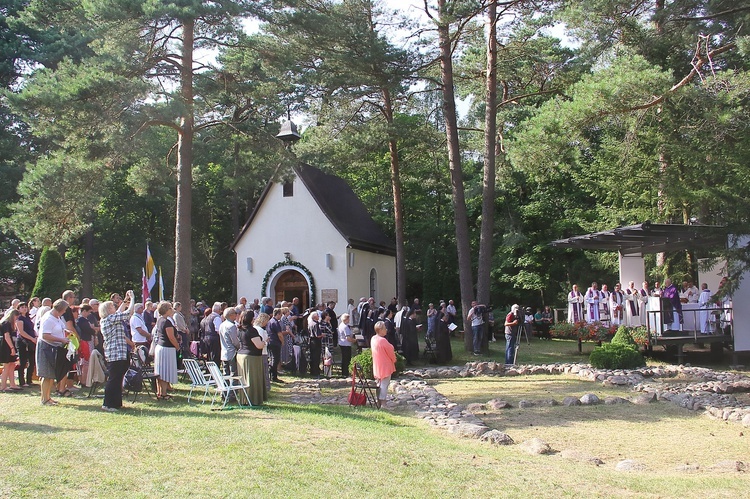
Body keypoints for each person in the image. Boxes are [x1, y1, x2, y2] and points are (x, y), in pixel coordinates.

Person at [99, 290, 136, 412]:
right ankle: (108, 404)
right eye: (111, 306)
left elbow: (120, 311)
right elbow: (128, 313)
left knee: (118, 378)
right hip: (115, 353)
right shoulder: (109, 319)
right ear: (107, 310)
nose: (114, 307)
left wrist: (125, 301)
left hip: (118, 352)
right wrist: (132, 299)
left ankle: (116, 403)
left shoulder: (111, 318)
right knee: (114, 379)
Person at [37, 299, 73, 405]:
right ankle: (44, 399)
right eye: (65, 309)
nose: (65, 311)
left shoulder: (57, 317)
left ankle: (48, 397)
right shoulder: (48, 318)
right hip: (46, 348)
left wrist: (65, 331)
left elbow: (57, 328)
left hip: (54, 347)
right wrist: (61, 339)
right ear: (60, 309)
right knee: (46, 374)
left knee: (51, 374)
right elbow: (45, 335)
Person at [236, 310, 266, 406]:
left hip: (241, 355)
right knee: (252, 379)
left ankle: (244, 399)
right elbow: (259, 345)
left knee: (244, 379)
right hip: (251, 357)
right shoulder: (251, 330)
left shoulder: (239, 329)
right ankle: (253, 399)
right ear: (251, 319)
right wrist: (264, 342)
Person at [153, 301, 179, 400]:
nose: (172, 309)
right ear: (166, 310)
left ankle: (160, 391)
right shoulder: (166, 322)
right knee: (164, 371)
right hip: (166, 349)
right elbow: (171, 337)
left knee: (160, 371)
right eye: (170, 308)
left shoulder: (160, 320)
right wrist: (177, 346)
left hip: (160, 347)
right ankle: (163, 393)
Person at [371, 321, 396, 409]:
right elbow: (390, 351)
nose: (386, 330)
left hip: (377, 365)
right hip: (385, 365)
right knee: (384, 384)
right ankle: (383, 403)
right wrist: (394, 359)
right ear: (380, 330)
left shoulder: (373, 338)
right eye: (384, 328)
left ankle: (378, 402)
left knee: (379, 384)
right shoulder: (383, 340)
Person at [16, 302, 37, 387]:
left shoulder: (28, 318)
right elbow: (21, 332)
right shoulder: (19, 319)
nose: (24, 308)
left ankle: (29, 380)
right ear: (19, 309)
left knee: (32, 361)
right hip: (23, 341)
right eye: (22, 307)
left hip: (31, 341)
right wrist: (31, 338)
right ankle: (22, 381)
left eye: (25, 307)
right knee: (23, 361)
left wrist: (35, 337)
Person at [0, 309, 22, 392]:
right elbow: (7, 337)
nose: (16, 319)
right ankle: (3, 386)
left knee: (12, 365)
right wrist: (12, 348)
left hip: (11, 345)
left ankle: (13, 384)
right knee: (7, 366)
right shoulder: (6, 324)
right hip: (6, 347)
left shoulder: (12, 324)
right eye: (16, 317)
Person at [76, 304, 97, 387]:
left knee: (85, 362)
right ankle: (84, 381)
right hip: (86, 341)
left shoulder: (84, 319)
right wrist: (93, 330)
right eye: (88, 312)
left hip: (87, 341)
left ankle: (83, 380)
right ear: (84, 311)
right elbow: (88, 330)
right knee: (86, 362)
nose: (89, 314)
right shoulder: (82, 320)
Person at [218, 307, 240, 376]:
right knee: (233, 374)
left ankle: (226, 386)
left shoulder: (222, 325)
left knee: (226, 373)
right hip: (232, 352)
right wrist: (240, 347)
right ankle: (233, 385)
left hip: (224, 352)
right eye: (235, 313)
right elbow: (235, 341)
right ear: (230, 315)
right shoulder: (231, 326)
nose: (236, 315)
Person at [253, 313, 271, 391]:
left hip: (258, 352)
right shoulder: (260, 330)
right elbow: (262, 341)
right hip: (262, 352)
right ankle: (266, 387)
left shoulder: (254, 328)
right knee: (264, 370)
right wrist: (266, 341)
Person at [266, 308, 284, 383]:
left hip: (271, 342)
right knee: (275, 359)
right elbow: (279, 334)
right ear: (278, 314)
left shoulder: (270, 321)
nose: (281, 316)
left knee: (272, 359)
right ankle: (274, 376)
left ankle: (272, 375)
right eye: (280, 314)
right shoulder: (275, 322)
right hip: (275, 342)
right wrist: (282, 341)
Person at [337, 313, 355, 378]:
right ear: (346, 319)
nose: (349, 320)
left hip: (342, 343)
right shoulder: (345, 327)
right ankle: (345, 373)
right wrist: (354, 340)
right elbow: (348, 338)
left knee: (344, 358)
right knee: (346, 359)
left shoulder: (341, 325)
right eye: (348, 318)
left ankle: (344, 372)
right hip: (346, 344)